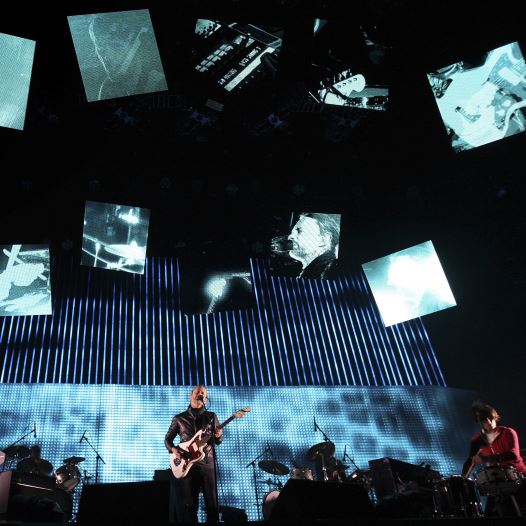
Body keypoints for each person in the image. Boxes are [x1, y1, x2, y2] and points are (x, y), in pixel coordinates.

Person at [165, 386, 223, 524]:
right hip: (188, 465)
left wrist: (219, 436)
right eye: (198, 392)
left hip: (208, 463)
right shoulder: (179, 418)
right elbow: (167, 440)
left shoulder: (211, 417)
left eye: (203, 393)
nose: (201, 394)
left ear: (205, 398)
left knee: (212, 506)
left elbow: (217, 441)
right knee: (190, 507)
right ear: (191, 394)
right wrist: (174, 450)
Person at [462, 401, 526, 516]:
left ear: (494, 417)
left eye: (490, 418)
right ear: (479, 423)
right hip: (496, 481)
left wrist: (485, 459)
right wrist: (463, 478)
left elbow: (513, 455)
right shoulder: (477, 440)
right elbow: (470, 461)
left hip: (519, 478)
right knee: (490, 514)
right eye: (484, 420)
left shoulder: (508, 432)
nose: (488, 422)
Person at [87, 11, 167, 101]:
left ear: (137, 45)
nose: (106, 56)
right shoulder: (108, 89)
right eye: (100, 47)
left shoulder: (159, 84)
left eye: (116, 46)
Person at [287, 212, 340, 279]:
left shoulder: (329, 274)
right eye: (292, 233)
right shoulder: (316, 272)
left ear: (324, 239)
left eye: (300, 231)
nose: (290, 237)